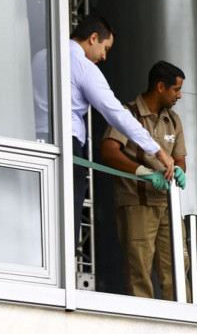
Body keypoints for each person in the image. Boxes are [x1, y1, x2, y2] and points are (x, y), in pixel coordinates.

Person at [69, 15, 175, 240]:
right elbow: (116, 113)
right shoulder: (82, 66)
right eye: (105, 48)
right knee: (67, 215)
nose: (104, 56)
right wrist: (157, 150)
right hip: (67, 145)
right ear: (93, 38)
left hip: (33, 143)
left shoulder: (41, 55)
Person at [99, 60, 189, 300]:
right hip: (137, 203)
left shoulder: (174, 119)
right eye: (176, 90)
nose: (179, 96)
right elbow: (108, 150)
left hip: (168, 205)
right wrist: (142, 172)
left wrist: (179, 171)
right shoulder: (127, 113)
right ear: (161, 86)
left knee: (178, 269)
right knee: (139, 270)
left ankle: (184, 322)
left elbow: (180, 159)